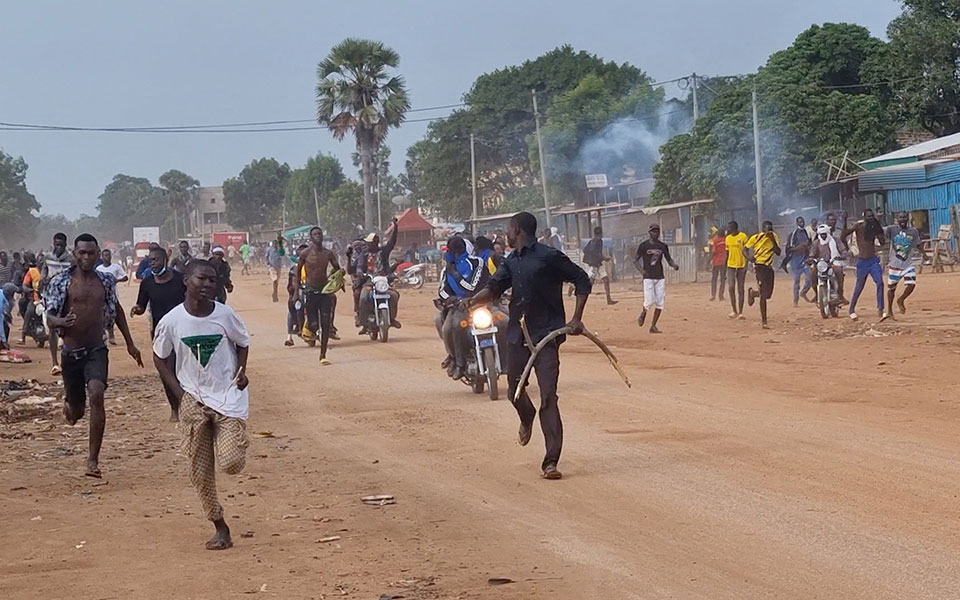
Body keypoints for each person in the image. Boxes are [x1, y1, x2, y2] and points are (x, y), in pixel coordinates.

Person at [466, 212, 590, 480]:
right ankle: (526, 416)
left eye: (508, 230)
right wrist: (472, 301)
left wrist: (577, 318)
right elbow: (494, 288)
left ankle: (551, 462)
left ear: (517, 229)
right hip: (517, 335)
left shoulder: (549, 257)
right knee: (514, 392)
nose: (506, 234)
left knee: (549, 396)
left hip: (547, 335)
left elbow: (582, 280)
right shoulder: (512, 261)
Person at [152, 260, 250, 551]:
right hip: (192, 400)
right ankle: (220, 526)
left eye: (213, 280)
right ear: (186, 281)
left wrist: (241, 371)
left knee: (231, 462)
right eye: (202, 279)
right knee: (200, 470)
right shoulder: (171, 321)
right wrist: (179, 394)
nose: (208, 285)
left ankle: (236, 441)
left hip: (227, 396)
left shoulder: (225, 315)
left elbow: (243, 342)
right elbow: (160, 357)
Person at [44, 234, 142, 478]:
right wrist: (61, 321)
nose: (86, 257)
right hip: (71, 353)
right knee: (77, 411)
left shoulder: (105, 281)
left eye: (90, 252)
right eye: (82, 252)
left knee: (97, 394)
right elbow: (50, 316)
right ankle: (70, 405)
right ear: (75, 254)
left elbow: (117, 310)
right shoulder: (61, 282)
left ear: (98, 253)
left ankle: (92, 461)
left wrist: (130, 344)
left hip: (96, 350)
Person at [130, 246, 186, 421]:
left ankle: (190, 404)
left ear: (165, 260)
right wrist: (136, 309)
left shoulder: (179, 279)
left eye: (155, 260)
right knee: (166, 371)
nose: (152, 263)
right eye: (150, 260)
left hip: (184, 330)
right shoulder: (148, 283)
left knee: (184, 368)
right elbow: (142, 304)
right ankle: (175, 407)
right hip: (160, 332)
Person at [436, 235, 489, 379]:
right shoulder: (445, 270)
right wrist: (451, 298)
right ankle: (458, 361)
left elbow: (472, 287)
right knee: (451, 327)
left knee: (504, 321)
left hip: (480, 302)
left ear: (453, 252)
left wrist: (456, 274)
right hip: (458, 306)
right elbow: (441, 290)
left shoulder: (476, 262)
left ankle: (508, 362)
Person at [298, 227, 341, 365]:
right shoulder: (305, 254)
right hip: (310, 291)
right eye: (315, 234)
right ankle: (311, 329)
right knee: (313, 323)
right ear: (311, 238)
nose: (318, 236)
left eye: (320, 234)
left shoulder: (328, 254)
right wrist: (296, 290)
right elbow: (298, 270)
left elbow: (337, 268)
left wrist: (336, 280)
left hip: (324, 291)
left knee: (326, 323)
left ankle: (323, 355)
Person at [356, 218, 401, 331]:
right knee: (363, 297)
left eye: (370, 242)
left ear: (375, 243)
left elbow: (392, 242)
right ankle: (363, 321)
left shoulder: (383, 252)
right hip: (369, 281)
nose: (368, 244)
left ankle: (391, 318)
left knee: (394, 296)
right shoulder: (364, 254)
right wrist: (360, 272)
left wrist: (395, 227)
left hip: (384, 281)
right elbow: (360, 266)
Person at [42, 232, 76, 375]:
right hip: (50, 295)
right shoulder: (47, 257)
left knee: (67, 326)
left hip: (66, 296)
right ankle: (54, 363)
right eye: (57, 244)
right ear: (53, 243)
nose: (59, 247)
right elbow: (44, 271)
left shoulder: (71, 259)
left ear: (65, 244)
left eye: (61, 245)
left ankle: (68, 361)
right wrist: (44, 278)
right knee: (51, 326)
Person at [635, 224, 679, 334]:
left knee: (660, 303)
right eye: (653, 231)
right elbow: (635, 261)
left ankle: (653, 326)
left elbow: (669, 259)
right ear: (649, 233)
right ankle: (644, 312)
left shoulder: (662, 246)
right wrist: (642, 271)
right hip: (648, 277)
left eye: (657, 231)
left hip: (659, 276)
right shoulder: (643, 246)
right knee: (649, 300)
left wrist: (673, 265)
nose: (655, 233)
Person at [843, 209, 886, 320]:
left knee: (880, 283)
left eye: (872, 216)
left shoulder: (874, 227)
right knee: (859, 287)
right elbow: (843, 235)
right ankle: (851, 309)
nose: (871, 218)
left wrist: (879, 230)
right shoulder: (859, 226)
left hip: (873, 260)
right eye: (869, 216)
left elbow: (882, 242)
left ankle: (880, 309)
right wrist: (844, 221)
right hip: (862, 261)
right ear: (864, 217)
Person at [880, 211, 922, 322]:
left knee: (911, 284)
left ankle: (901, 300)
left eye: (904, 217)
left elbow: (918, 244)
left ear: (907, 219)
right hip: (894, 265)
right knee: (891, 289)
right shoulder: (891, 229)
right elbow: (880, 231)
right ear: (897, 219)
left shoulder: (913, 231)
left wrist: (925, 254)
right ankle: (889, 310)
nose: (902, 219)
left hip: (907, 263)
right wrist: (878, 218)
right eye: (900, 217)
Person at [745, 221, 782, 328]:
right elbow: (745, 249)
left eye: (771, 229)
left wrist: (772, 240)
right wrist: (749, 257)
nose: (769, 231)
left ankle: (753, 293)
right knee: (763, 295)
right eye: (767, 229)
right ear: (763, 229)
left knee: (768, 295)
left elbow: (778, 252)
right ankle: (764, 321)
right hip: (759, 266)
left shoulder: (774, 237)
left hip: (769, 268)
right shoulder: (756, 238)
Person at [96, 249, 129, 345]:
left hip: (113, 296)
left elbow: (125, 277)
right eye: (105, 255)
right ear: (102, 257)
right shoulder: (99, 268)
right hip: (101, 296)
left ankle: (111, 336)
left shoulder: (116, 267)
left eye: (108, 255)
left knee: (112, 315)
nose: (107, 257)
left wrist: (116, 280)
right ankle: (102, 335)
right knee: (101, 315)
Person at [582, 227, 617, 305]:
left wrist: (600, 258)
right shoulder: (598, 241)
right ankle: (575, 288)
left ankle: (609, 299)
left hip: (597, 263)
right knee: (590, 282)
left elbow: (585, 250)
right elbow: (594, 252)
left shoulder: (592, 241)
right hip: (595, 264)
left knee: (605, 279)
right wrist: (604, 258)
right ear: (601, 233)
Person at [783, 216, 812, 307]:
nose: (802, 223)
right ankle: (795, 301)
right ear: (797, 223)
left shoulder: (806, 232)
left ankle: (803, 292)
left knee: (810, 278)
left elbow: (808, 245)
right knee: (796, 281)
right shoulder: (793, 234)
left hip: (805, 259)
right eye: (800, 222)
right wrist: (801, 247)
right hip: (796, 260)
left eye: (803, 222)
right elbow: (789, 249)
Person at [284, 244, 309, 347]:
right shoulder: (293, 268)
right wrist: (292, 291)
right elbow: (290, 285)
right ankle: (291, 334)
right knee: (295, 306)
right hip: (299, 292)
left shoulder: (313, 266)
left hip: (311, 290)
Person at [725, 221, 749, 319]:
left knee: (740, 288)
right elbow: (727, 253)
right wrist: (724, 266)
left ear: (734, 228)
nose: (728, 230)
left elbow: (746, 251)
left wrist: (746, 265)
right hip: (730, 265)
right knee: (731, 287)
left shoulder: (743, 237)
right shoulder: (728, 238)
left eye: (729, 228)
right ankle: (734, 310)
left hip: (741, 265)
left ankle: (741, 312)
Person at [825, 212, 848, 302]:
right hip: (824, 259)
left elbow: (843, 242)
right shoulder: (822, 231)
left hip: (837, 258)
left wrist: (845, 253)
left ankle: (840, 295)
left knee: (840, 276)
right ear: (826, 221)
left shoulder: (839, 231)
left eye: (834, 220)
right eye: (830, 220)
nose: (832, 222)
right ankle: (819, 293)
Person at [709, 229, 727, 301]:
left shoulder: (715, 241)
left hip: (716, 262)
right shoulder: (726, 240)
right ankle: (721, 296)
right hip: (723, 262)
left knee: (714, 279)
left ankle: (713, 295)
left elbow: (713, 251)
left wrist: (708, 261)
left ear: (718, 234)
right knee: (722, 279)